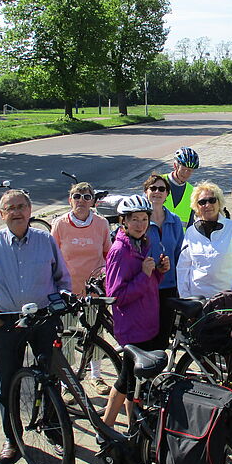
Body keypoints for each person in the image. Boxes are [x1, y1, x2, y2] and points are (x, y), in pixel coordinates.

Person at [0, 189, 71, 464]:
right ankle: (12, 437)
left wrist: (58, 306)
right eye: (10, 208)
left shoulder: (44, 240)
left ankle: (54, 429)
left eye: (21, 206)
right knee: (8, 382)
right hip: (7, 320)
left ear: (30, 211)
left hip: (43, 318)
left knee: (50, 377)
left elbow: (62, 278)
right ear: (2, 214)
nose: (16, 212)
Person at [101, 195, 170, 430]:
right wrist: (144, 274)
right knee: (127, 381)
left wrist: (158, 271)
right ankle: (108, 429)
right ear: (124, 222)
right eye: (134, 220)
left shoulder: (144, 243)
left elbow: (148, 283)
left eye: (143, 219)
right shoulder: (120, 251)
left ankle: (130, 428)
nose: (140, 224)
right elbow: (116, 295)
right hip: (132, 327)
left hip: (148, 322)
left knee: (132, 382)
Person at [51, 181, 113, 395]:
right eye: (77, 196)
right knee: (66, 335)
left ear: (93, 201)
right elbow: (52, 257)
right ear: (70, 200)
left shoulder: (101, 223)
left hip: (93, 289)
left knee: (96, 333)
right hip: (68, 290)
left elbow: (109, 254)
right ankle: (67, 382)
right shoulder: (60, 224)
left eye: (87, 197)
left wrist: (106, 281)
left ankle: (96, 376)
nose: (82, 201)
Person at [177, 181, 232, 298]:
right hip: (198, 301)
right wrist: (186, 298)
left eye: (212, 200)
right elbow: (183, 267)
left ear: (219, 202)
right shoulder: (191, 232)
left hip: (228, 300)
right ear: (196, 206)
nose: (207, 205)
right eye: (202, 202)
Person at [143, 174, 184, 346]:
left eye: (161, 189)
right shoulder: (140, 220)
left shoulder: (174, 221)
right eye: (153, 188)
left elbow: (180, 254)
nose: (157, 192)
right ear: (146, 192)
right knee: (145, 335)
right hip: (145, 286)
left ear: (167, 194)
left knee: (162, 336)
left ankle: (159, 370)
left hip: (168, 286)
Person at [163, 146, 199, 227]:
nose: (186, 173)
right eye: (183, 169)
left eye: (190, 170)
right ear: (175, 166)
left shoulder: (192, 192)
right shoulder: (158, 183)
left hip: (181, 238)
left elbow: (190, 221)